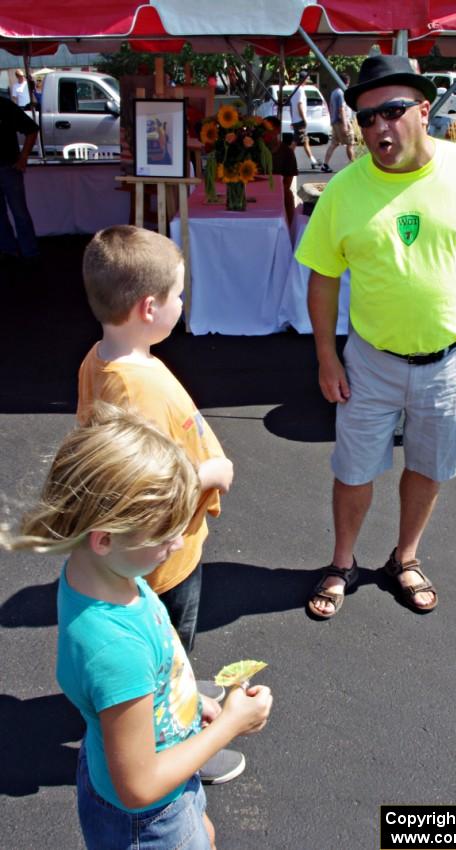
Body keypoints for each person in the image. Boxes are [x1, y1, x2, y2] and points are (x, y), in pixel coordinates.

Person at [295, 55, 456, 619]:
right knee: (353, 469)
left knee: (428, 464)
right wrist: (327, 356)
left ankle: (406, 557)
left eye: (393, 112)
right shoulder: (344, 190)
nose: (379, 128)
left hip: (451, 361)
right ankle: (343, 563)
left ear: (425, 110)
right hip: (370, 360)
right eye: (367, 118)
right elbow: (323, 281)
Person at [0, 405, 273, 850]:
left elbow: (149, 679)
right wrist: (230, 724)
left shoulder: (104, 575)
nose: (179, 542)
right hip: (149, 821)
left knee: (204, 833)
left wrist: (193, 703)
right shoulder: (114, 649)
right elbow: (139, 787)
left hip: (158, 782)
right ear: (105, 537)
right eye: (164, 534)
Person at [77, 225, 244, 784]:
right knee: (166, 647)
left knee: (166, 645)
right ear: (150, 307)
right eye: (179, 295)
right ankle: (177, 736)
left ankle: (175, 694)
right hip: (165, 561)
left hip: (151, 555)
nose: (182, 304)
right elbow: (146, 488)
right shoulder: (139, 386)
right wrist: (210, 472)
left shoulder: (100, 361)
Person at [0, 96, 40, 267]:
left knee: (19, 212)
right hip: (9, 167)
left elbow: (32, 129)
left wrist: (23, 157)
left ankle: (30, 253)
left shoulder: (4, 105)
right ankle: (8, 250)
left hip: (9, 167)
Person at [321, 73, 355, 173]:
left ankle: (325, 164)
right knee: (350, 143)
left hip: (335, 122)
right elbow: (341, 109)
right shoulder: (341, 93)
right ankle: (354, 165)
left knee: (334, 143)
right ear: (346, 82)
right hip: (341, 122)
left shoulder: (334, 92)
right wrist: (345, 125)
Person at [267, 115, 298, 224]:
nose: (266, 133)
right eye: (263, 129)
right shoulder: (255, 150)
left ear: (278, 130)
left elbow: (287, 182)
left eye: (269, 129)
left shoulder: (287, 152)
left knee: (288, 195)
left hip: (279, 192)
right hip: (259, 192)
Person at [289, 70, 320, 169]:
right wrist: (304, 119)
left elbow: (291, 106)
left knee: (299, 141)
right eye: (307, 78)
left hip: (295, 120)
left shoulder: (294, 90)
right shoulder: (300, 90)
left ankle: (313, 160)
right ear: (304, 79)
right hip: (300, 120)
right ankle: (287, 161)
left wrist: (292, 119)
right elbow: (300, 105)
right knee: (300, 142)